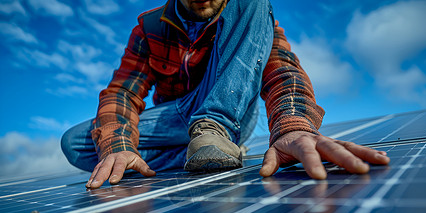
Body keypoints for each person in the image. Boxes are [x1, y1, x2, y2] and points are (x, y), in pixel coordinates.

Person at [61, 0, 390, 189]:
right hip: (178, 116)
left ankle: (215, 129)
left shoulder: (252, 15)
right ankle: (203, 148)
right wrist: (118, 147)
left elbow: (282, 71)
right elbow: (122, 92)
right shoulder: (149, 28)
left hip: (233, 110)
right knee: (77, 143)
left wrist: (292, 127)